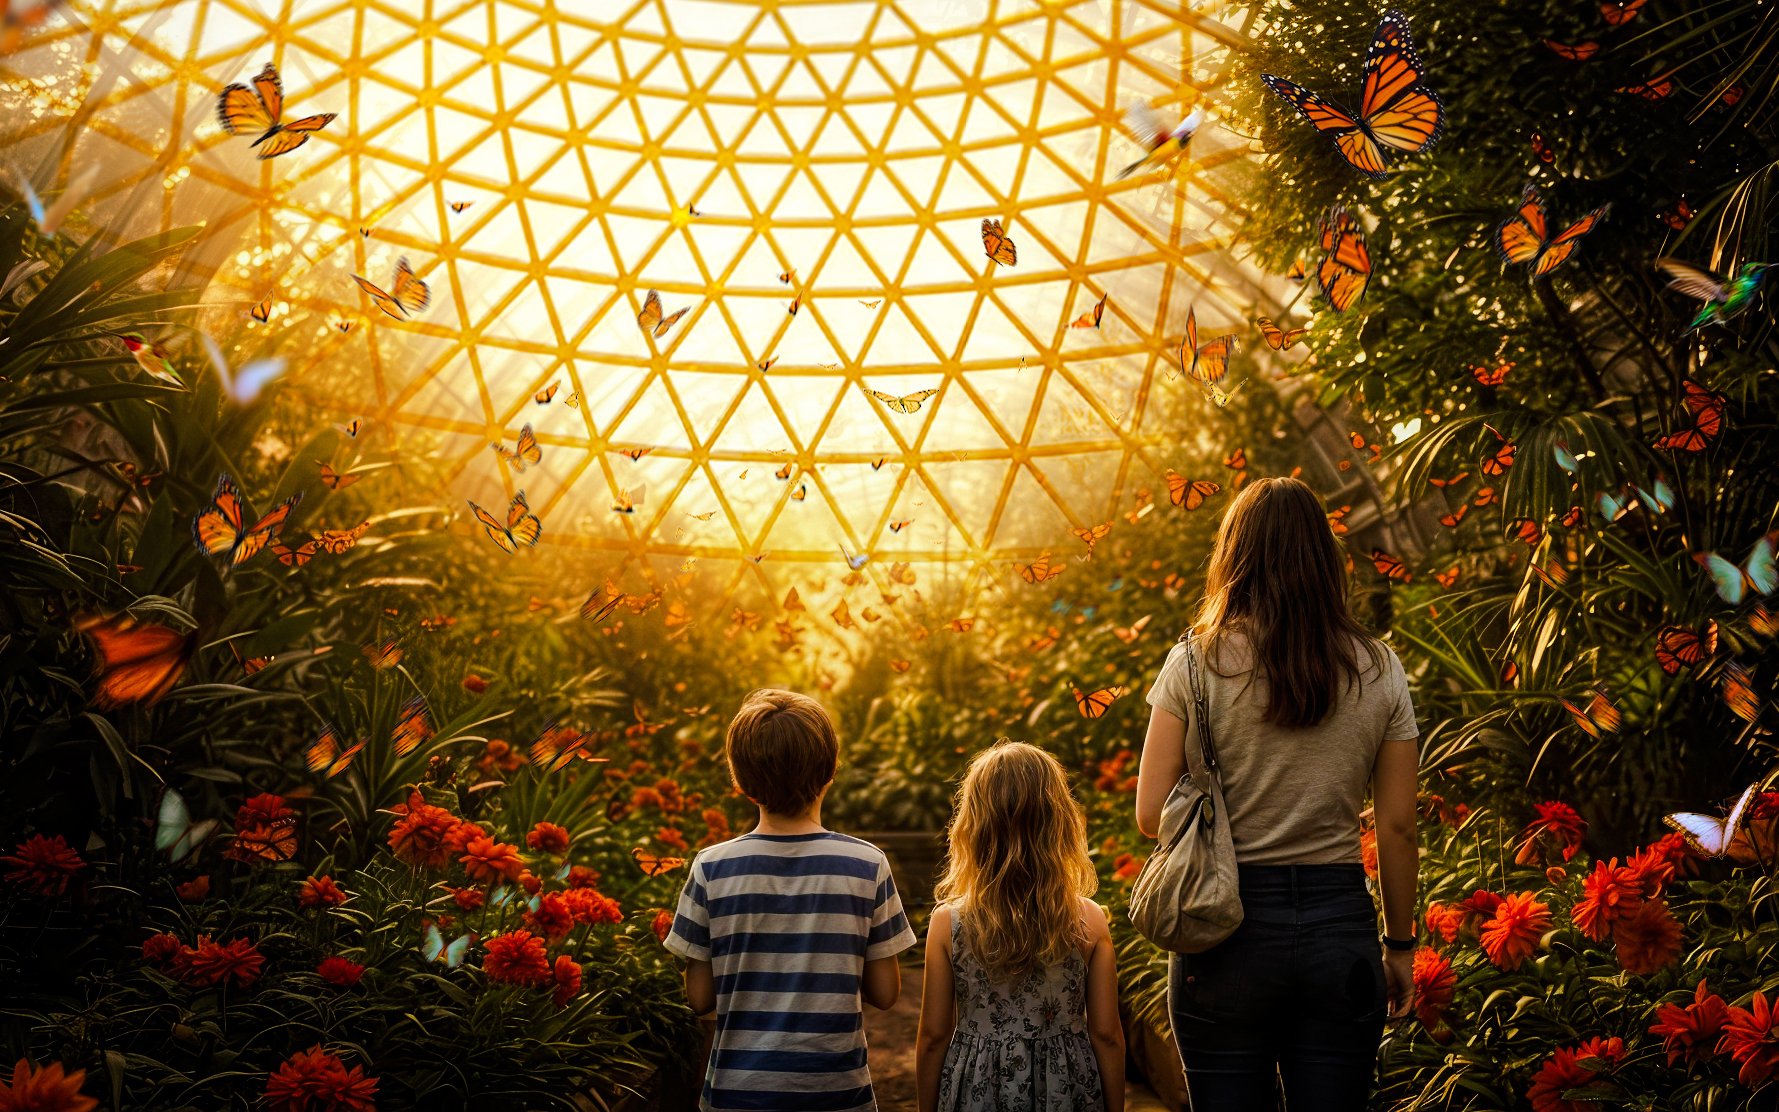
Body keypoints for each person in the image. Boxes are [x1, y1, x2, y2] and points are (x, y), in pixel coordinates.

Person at [1134, 476, 1421, 1111]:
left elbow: (1150, 813)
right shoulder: (1379, 668)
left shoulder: (1194, 663)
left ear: (1233, 557)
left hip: (1224, 933)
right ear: (1325, 558)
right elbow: (1399, 827)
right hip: (1338, 928)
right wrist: (1399, 946)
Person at [663, 689, 918, 1112]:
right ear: (830, 769)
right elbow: (886, 992)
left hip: (736, 1095)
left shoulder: (711, 867)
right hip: (836, 1094)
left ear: (740, 779)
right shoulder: (866, 865)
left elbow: (700, 998)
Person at [915, 740, 1126, 1112]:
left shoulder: (948, 923)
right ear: (1060, 822)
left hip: (976, 1089)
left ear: (973, 827)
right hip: (1066, 1089)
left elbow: (933, 1036)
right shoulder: (1089, 920)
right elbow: (1106, 1034)